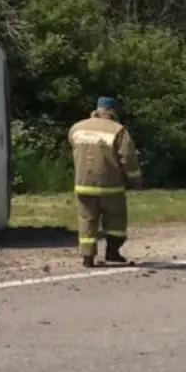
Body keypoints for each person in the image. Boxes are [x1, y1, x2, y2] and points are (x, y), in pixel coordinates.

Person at [68, 96, 142, 267]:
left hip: (83, 184)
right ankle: (113, 252)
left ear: (97, 109)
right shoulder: (118, 130)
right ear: (113, 111)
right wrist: (134, 180)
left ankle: (87, 257)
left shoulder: (77, 128)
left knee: (87, 220)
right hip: (111, 186)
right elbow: (128, 158)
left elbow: (73, 146)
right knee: (115, 219)